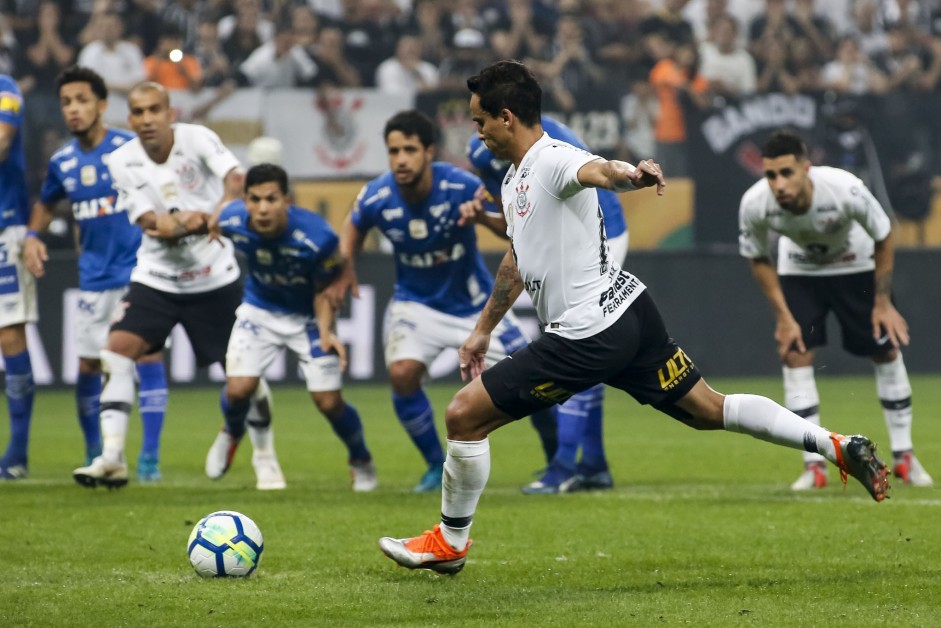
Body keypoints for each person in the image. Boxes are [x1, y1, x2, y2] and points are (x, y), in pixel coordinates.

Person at [378, 60, 889, 576]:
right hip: (629, 312)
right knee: (710, 409)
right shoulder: (513, 182)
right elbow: (517, 259)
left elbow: (598, 170)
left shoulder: (551, 157)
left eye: (479, 120)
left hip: (587, 334)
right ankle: (836, 445)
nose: (477, 131)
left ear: (506, 117)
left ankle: (449, 542)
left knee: (464, 416)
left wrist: (632, 174)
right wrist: (482, 331)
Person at [325, 109, 557, 493]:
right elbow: (354, 222)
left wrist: (482, 218)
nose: (401, 159)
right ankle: (436, 465)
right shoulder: (378, 193)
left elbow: (514, 227)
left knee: (535, 384)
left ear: (429, 151)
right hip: (416, 305)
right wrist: (346, 265)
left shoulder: (462, 185)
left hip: (475, 306)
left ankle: (556, 464)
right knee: (401, 374)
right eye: (394, 151)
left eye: (410, 150)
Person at [72, 81, 276, 489]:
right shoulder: (121, 161)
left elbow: (236, 181)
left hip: (215, 278)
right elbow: (155, 225)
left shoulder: (197, 139)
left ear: (170, 113)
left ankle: (265, 456)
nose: (146, 119)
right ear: (129, 119)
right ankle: (112, 457)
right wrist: (192, 221)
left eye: (154, 110)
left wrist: (216, 213)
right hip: (157, 278)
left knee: (244, 375)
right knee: (116, 351)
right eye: (138, 112)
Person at [739, 129, 932, 490]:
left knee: (886, 349)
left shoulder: (845, 188)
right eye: (770, 175)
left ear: (806, 169)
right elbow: (758, 257)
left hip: (854, 267)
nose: (778, 184)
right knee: (795, 355)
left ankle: (905, 457)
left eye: (786, 173)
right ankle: (814, 466)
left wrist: (883, 302)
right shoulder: (754, 204)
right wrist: (783, 317)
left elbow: (884, 233)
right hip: (800, 272)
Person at [466, 114, 628, 494]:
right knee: (582, 346)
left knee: (577, 340)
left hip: (598, 229)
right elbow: (514, 225)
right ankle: (592, 464)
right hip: (550, 240)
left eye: (482, 116)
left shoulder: (552, 137)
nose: (478, 129)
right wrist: (482, 219)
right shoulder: (481, 154)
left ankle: (563, 465)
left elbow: (594, 177)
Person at [23, 66, 169, 482]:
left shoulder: (129, 148)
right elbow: (46, 202)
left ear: (102, 105)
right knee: (89, 367)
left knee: (148, 355)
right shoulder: (63, 162)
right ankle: (97, 452)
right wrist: (33, 234)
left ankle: (150, 458)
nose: (74, 109)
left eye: (83, 100)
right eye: (67, 102)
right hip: (93, 278)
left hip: (140, 273)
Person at [208, 163, 377, 491]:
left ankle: (360, 458)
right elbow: (216, 217)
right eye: (254, 199)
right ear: (245, 200)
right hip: (259, 311)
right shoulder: (233, 219)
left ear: (287, 200)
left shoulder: (319, 238)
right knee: (238, 388)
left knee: (328, 401)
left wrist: (326, 332)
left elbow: (324, 291)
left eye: (271, 199)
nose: (262, 208)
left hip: (308, 319)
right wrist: (211, 225)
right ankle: (231, 431)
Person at [0, 73, 36, 480]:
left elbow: (3, 141)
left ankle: (18, 451)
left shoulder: (6, 89)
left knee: (9, 335)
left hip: (5, 228)